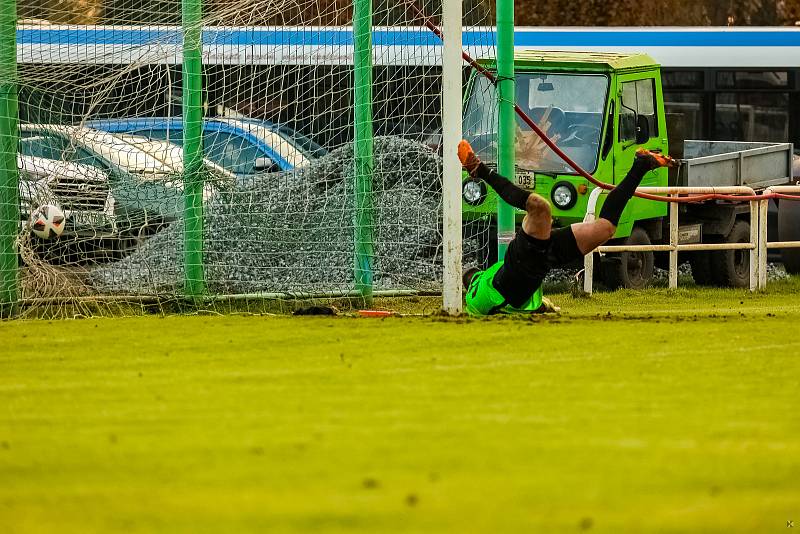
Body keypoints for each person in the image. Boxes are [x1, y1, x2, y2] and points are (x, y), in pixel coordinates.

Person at [458, 139, 675, 316]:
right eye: (471, 274)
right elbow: (528, 303)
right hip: (542, 261)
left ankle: (480, 170)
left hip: (523, 259)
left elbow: (512, 301)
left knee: (540, 208)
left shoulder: (476, 300)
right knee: (606, 228)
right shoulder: (482, 288)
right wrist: (545, 307)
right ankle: (641, 165)